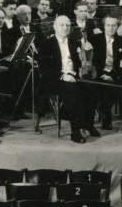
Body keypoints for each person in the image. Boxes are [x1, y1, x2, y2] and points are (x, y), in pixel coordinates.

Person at [38, 15, 98, 143]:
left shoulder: (74, 42)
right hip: (55, 79)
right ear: (55, 27)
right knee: (72, 91)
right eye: (62, 25)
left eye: (67, 25)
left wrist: (88, 51)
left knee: (92, 87)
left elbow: (82, 62)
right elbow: (44, 69)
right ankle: (75, 131)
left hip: (73, 76)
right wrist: (62, 76)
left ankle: (88, 124)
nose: (65, 27)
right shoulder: (46, 44)